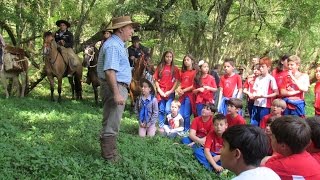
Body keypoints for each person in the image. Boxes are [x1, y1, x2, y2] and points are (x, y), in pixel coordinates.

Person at [97, 16, 139, 161]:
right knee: (112, 121)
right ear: (121, 29)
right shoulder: (114, 46)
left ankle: (108, 152)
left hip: (117, 86)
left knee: (109, 119)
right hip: (115, 87)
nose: (132, 31)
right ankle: (110, 156)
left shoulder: (118, 44)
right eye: (130, 28)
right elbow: (109, 71)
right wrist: (116, 93)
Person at [153, 51, 180, 132]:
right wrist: (159, 90)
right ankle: (161, 125)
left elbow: (176, 81)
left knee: (168, 109)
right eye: (167, 56)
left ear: (172, 58)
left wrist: (171, 91)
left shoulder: (175, 68)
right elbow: (156, 79)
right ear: (164, 57)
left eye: (170, 57)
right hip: (161, 92)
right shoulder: (160, 67)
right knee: (161, 109)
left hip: (170, 93)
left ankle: (168, 125)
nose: (168, 58)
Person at [250, 57, 278, 126]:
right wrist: (253, 95)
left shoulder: (271, 79)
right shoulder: (258, 78)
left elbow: (276, 92)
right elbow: (255, 90)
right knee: (254, 123)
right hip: (256, 104)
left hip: (265, 105)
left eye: (263, 67)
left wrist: (265, 96)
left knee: (263, 123)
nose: (261, 68)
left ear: (268, 67)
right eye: (260, 66)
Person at [176, 54, 196, 132]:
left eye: (188, 60)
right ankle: (180, 128)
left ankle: (186, 130)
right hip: (182, 95)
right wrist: (178, 89)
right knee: (180, 112)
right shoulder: (182, 72)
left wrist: (184, 90)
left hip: (190, 95)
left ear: (192, 61)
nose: (186, 61)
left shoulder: (195, 72)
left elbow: (193, 85)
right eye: (185, 60)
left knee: (186, 114)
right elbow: (181, 83)